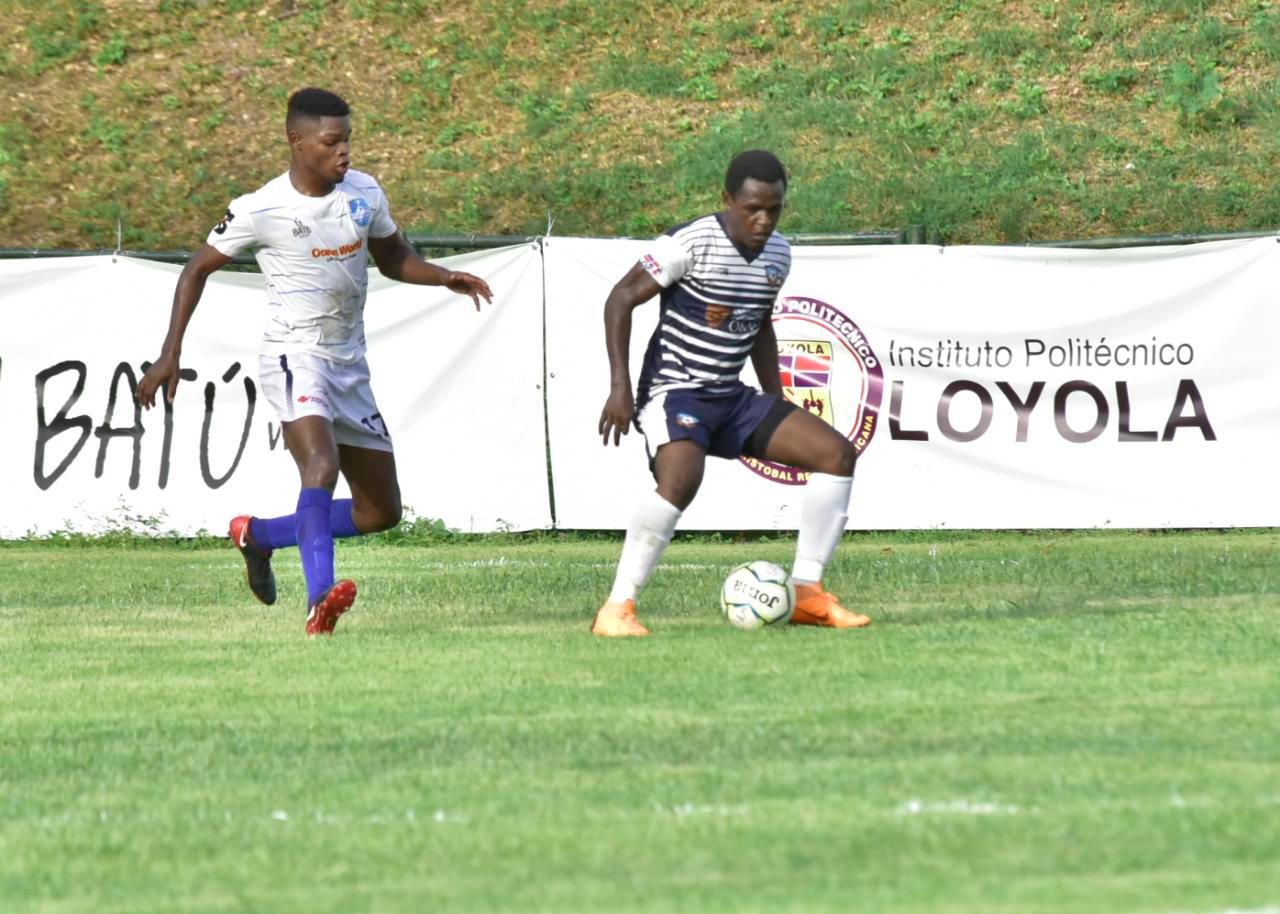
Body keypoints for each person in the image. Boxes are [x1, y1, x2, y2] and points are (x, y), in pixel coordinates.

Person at [137, 87, 493, 636]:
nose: (344, 152)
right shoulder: (262, 207)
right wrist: (169, 354)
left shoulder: (364, 192)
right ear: (296, 141)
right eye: (332, 142)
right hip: (294, 354)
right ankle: (319, 600)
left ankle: (258, 536)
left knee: (381, 513)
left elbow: (394, 258)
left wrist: (444, 276)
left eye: (347, 140)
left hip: (349, 361)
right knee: (320, 469)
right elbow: (196, 269)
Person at [593, 149, 869, 637]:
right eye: (752, 209)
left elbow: (759, 322)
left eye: (774, 209)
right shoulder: (689, 242)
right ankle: (617, 609)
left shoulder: (779, 254)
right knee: (680, 481)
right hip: (674, 392)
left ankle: (808, 594)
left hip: (732, 396)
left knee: (835, 455)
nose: (763, 220)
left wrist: (775, 393)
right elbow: (620, 298)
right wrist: (619, 388)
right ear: (727, 200)